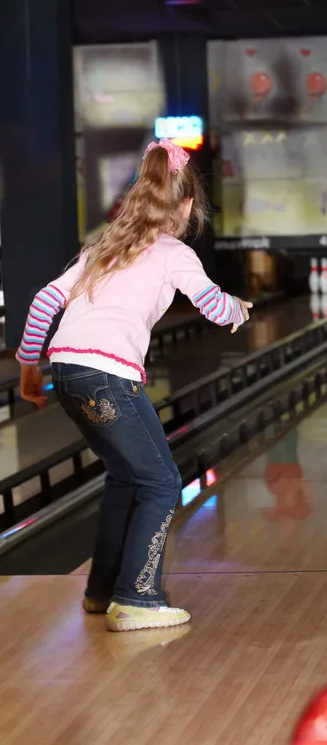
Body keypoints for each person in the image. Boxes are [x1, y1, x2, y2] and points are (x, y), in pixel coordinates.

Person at [16, 138, 252, 633]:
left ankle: (103, 591)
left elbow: (43, 303)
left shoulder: (102, 246)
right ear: (186, 205)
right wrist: (238, 309)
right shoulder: (173, 252)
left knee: (127, 477)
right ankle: (137, 598)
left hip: (68, 371)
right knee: (162, 483)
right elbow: (213, 307)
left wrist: (28, 366)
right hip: (109, 377)